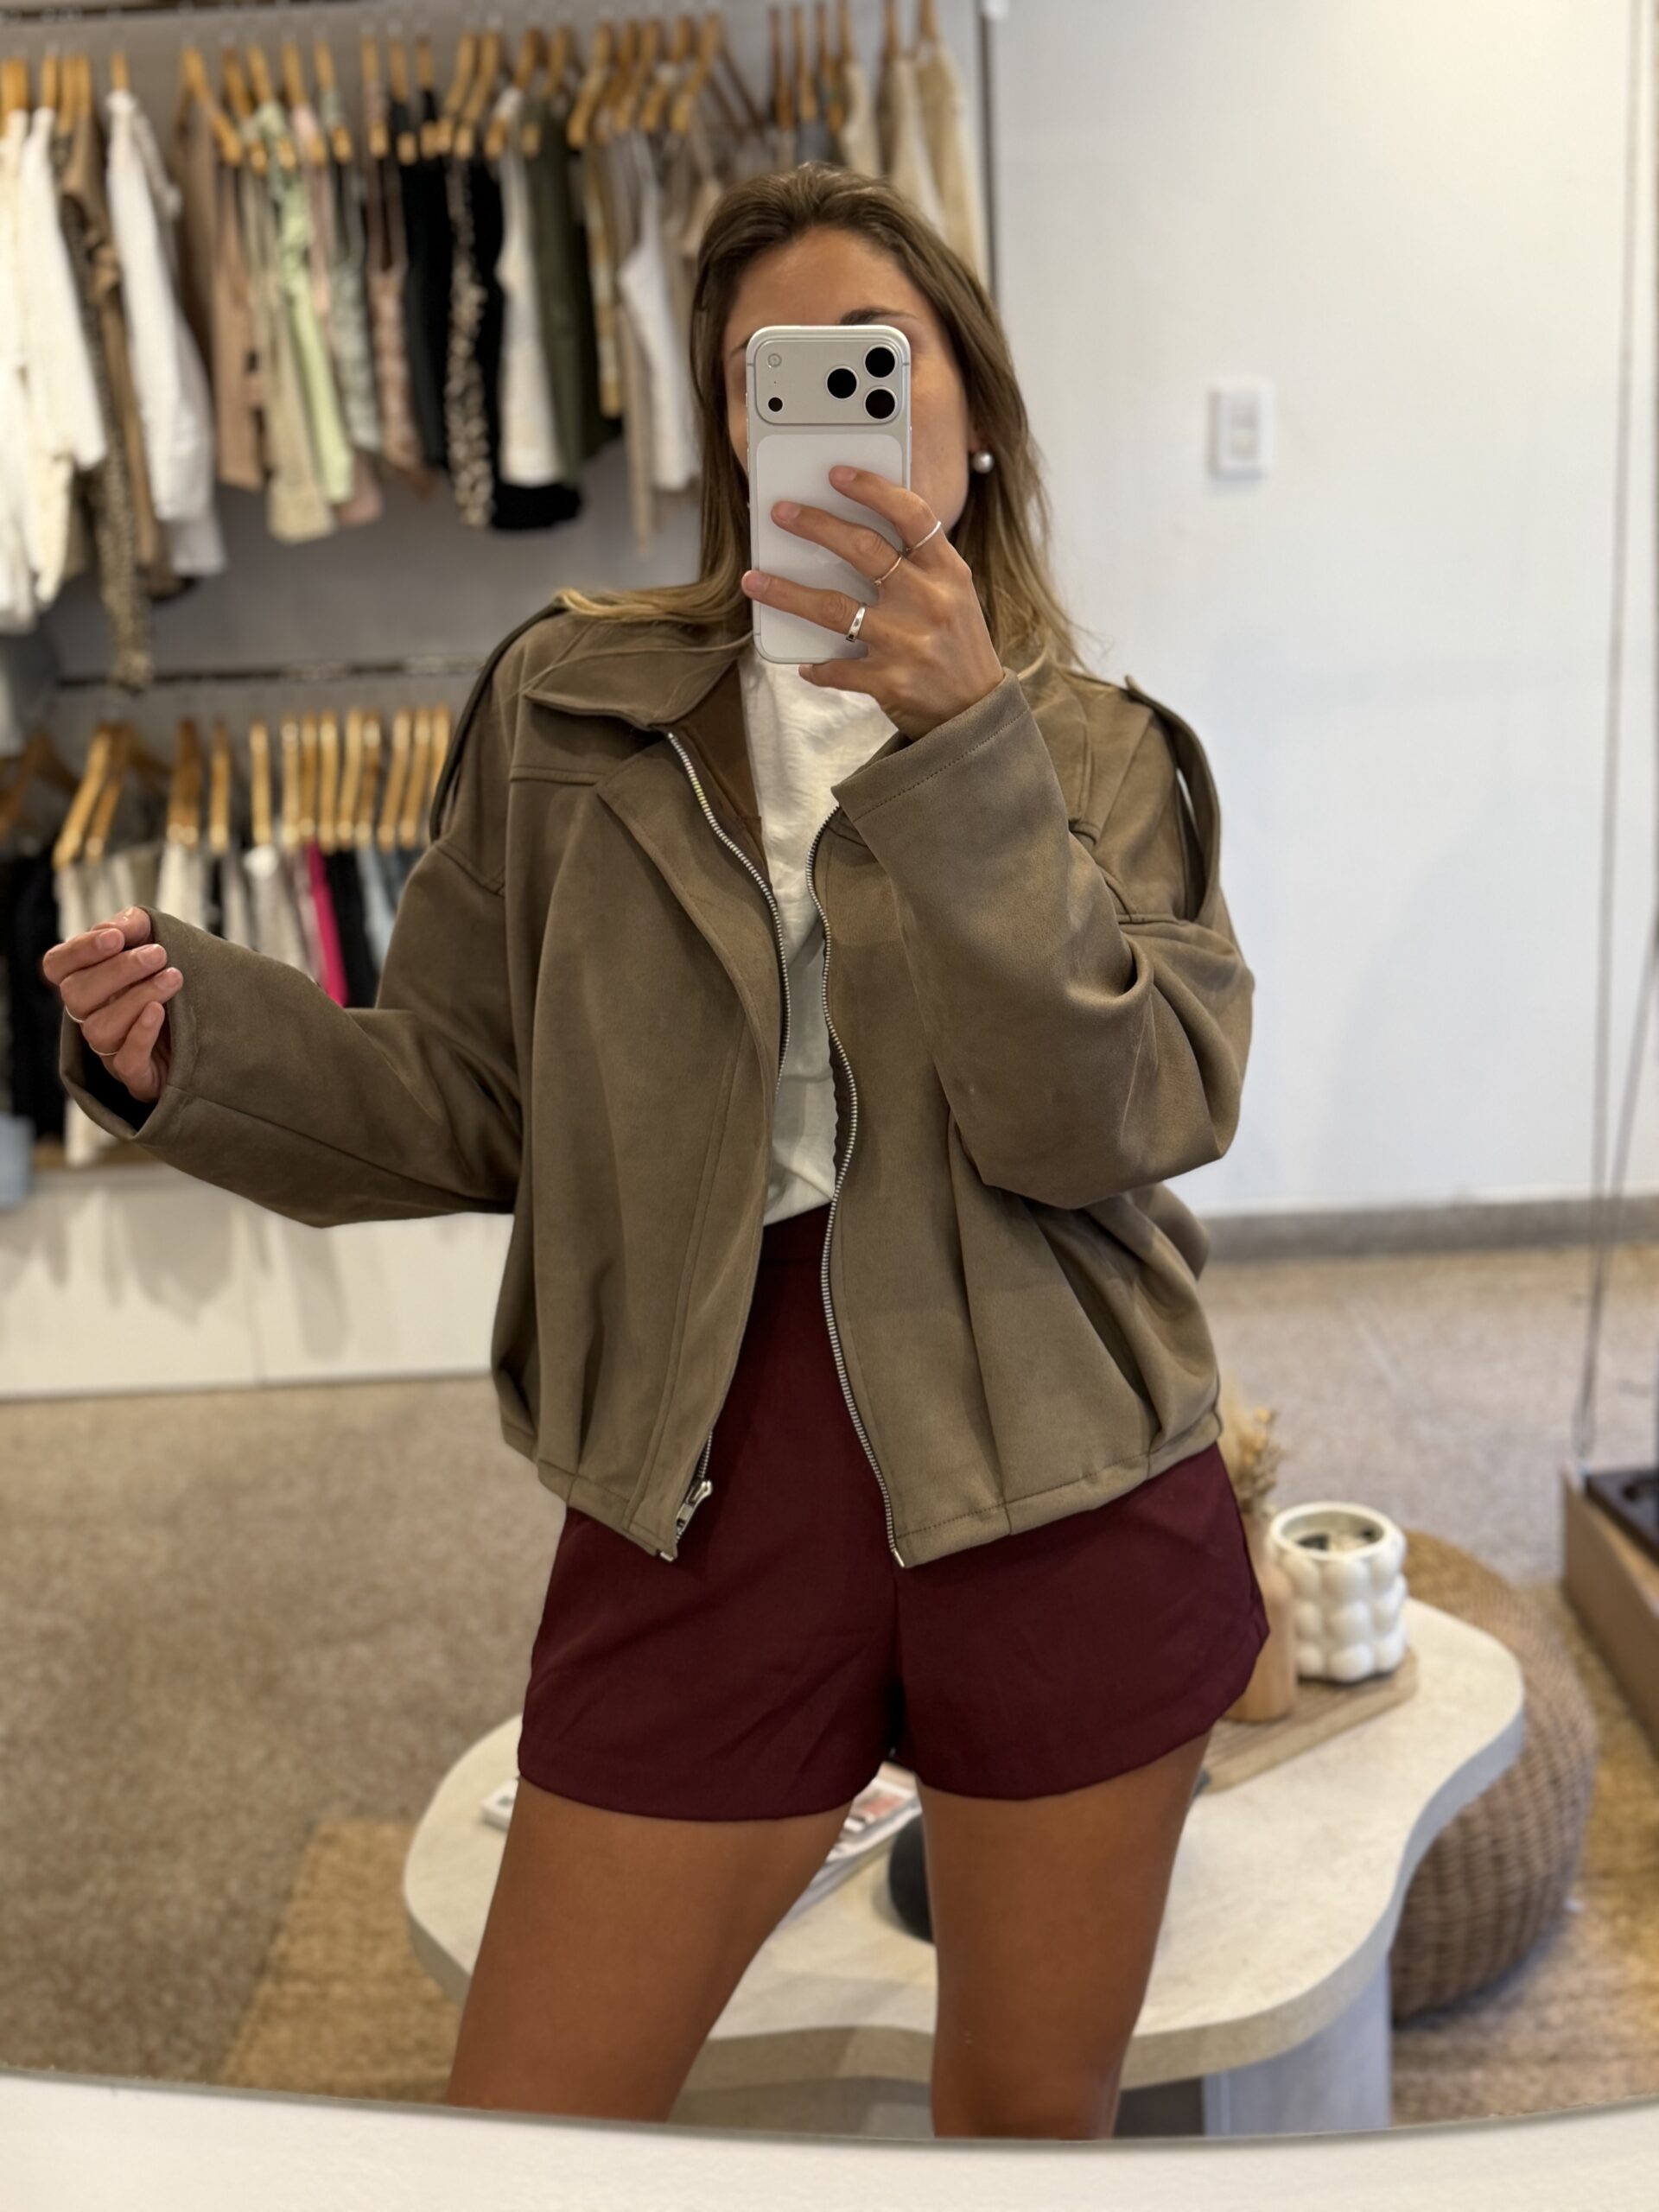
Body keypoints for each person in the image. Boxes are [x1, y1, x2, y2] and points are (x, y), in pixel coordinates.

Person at [44, 162, 1264, 2141]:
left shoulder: (1105, 751)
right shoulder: (573, 702)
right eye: (774, 371)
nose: (833, 403)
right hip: (698, 1466)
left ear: (972, 403)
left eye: (879, 356)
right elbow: (465, 1093)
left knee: (1027, 2132)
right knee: (535, 2126)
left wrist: (969, 752)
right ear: (729, 427)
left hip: (1060, 1466)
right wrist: (207, 1044)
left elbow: (1115, 1119)